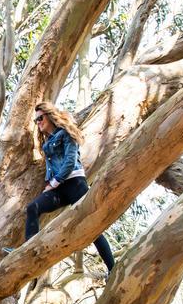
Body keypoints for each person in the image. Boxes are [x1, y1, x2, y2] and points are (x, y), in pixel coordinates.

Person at [21, 101, 115, 272]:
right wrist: (52, 184)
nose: (38, 122)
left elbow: (70, 162)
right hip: (58, 188)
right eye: (36, 120)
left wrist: (54, 183)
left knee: (92, 228)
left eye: (40, 118)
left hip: (75, 184)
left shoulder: (66, 134)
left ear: (49, 116)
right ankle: (28, 255)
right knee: (32, 208)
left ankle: (112, 268)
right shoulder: (47, 142)